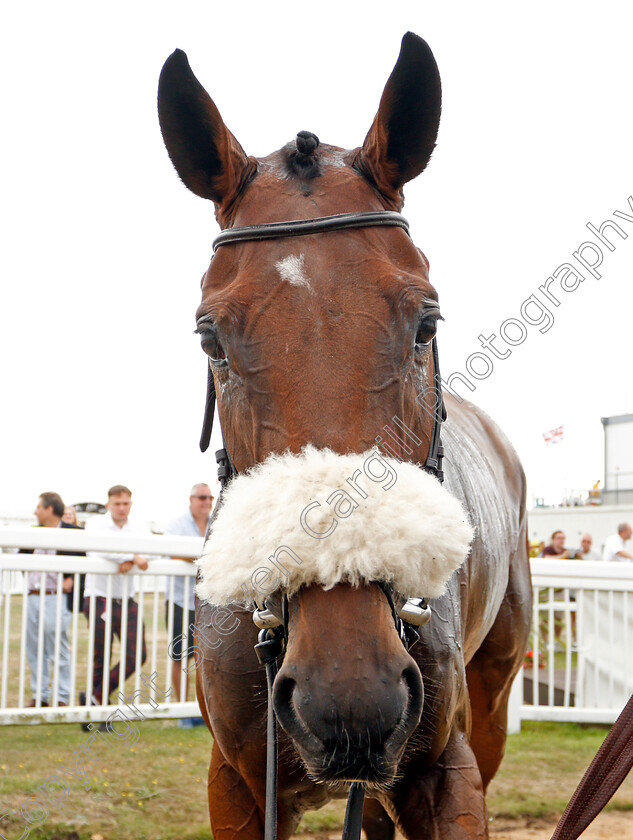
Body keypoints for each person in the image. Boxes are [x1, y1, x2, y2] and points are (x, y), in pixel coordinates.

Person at [82, 485, 149, 711]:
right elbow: (95, 548)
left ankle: (96, 697)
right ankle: (97, 710)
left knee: (137, 655)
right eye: (117, 504)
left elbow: (153, 551)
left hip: (126, 598)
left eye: (126, 503)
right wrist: (131, 555)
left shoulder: (138, 526)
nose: (122, 508)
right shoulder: (95, 524)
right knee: (101, 656)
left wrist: (133, 558)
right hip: (99, 597)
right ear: (108, 505)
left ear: (131, 503)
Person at [25, 492, 83, 707]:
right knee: (34, 648)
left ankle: (61, 696)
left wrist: (73, 580)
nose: (35, 511)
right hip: (33, 597)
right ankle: (39, 695)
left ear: (49, 509)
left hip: (56, 598)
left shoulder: (73, 533)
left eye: (38, 507)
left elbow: (83, 561)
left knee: (57, 647)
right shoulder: (31, 533)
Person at [164, 483, 213, 727]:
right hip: (180, 599)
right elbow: (172, 551)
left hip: (207, 599)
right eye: (202, 497)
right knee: (179, 656)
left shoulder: (217, 522)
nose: (207, 501)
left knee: (203, 655)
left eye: (210, 497)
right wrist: (205, 557)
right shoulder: (176, 524)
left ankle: (201, 709)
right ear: (191, 499)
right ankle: (183, 711)